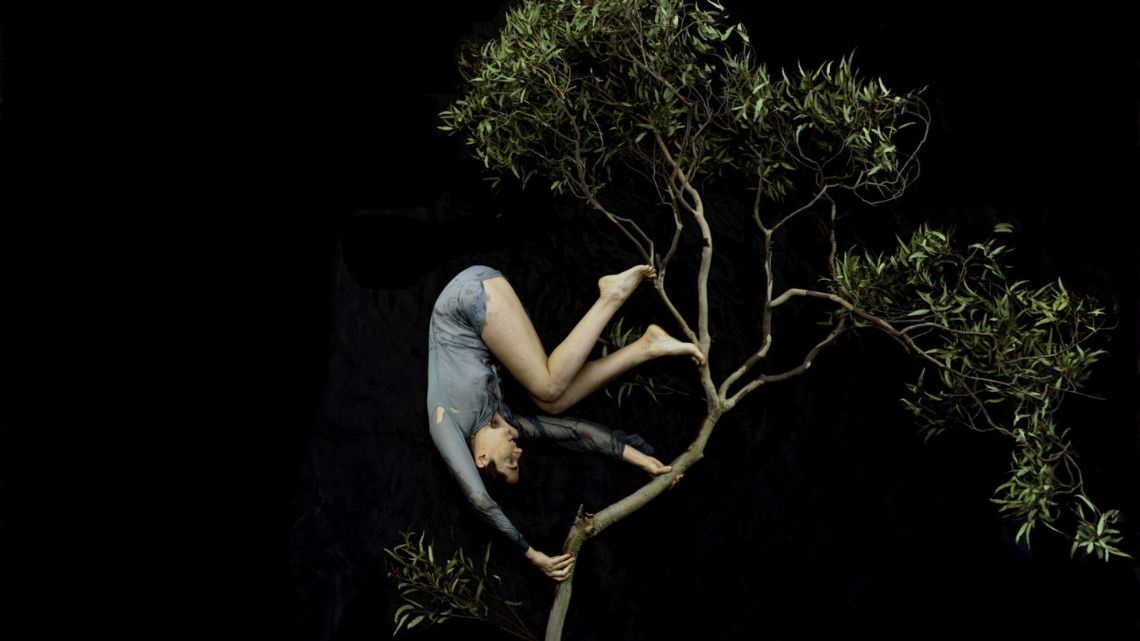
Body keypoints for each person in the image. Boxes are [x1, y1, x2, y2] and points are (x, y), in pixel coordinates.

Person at [426, 263, 705, 581]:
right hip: (483, 308)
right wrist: (643, 461)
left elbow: (479, 499)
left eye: (511, 464)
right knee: (554, 403)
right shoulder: (505, 420)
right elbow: (576, 432)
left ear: (481, 458)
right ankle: (645, 347)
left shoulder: (447, 425)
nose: (519, 454)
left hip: (465, 298)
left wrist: (532, 555)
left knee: (548, 386)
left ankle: (611, 296)